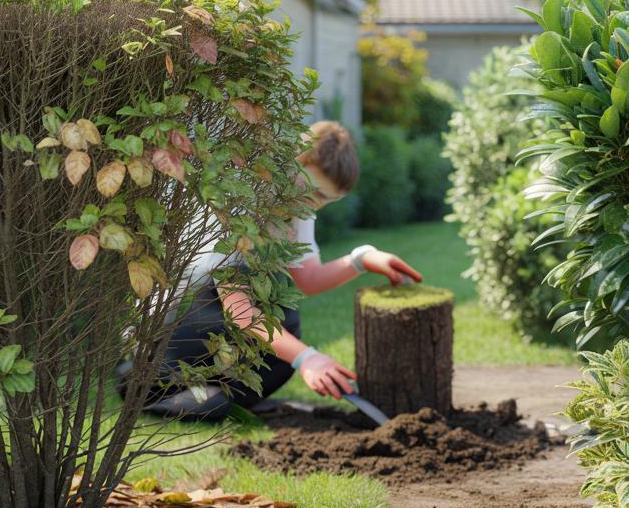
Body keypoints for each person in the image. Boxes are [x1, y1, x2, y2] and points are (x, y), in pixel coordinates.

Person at [138, 120, 423, 421]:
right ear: (291, 163)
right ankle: (168, 393)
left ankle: (214, 395)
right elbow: (240, 311)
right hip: (166, 341)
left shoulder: (299, 207)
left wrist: (361, 259)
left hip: (209, 329)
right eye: (313, 192)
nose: (314, 204)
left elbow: (308, 278)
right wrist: (307, 357)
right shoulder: (242, 200)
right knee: (277, 325)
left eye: (327, 199)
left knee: (284, 322)